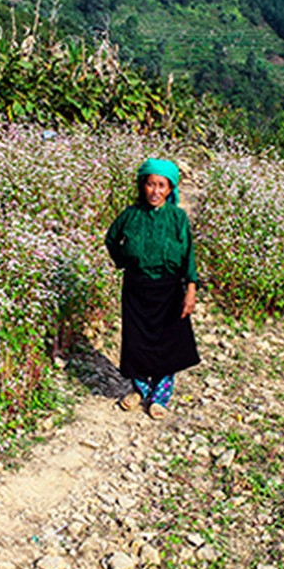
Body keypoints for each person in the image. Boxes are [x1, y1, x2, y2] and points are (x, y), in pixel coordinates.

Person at [104, 158, 200, 419]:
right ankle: (139, 389)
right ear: (141, 186)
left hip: (169, 289)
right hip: (136, 286)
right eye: (150, 184)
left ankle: (160, 396)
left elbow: (188, 255)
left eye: (162, 185)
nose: (155, 191)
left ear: (170, 189)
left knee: (167, 341)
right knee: (137, 340)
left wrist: (190, 289)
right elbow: (112, 239)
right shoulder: (130, 215)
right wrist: (124, 260)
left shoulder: (178, 218)